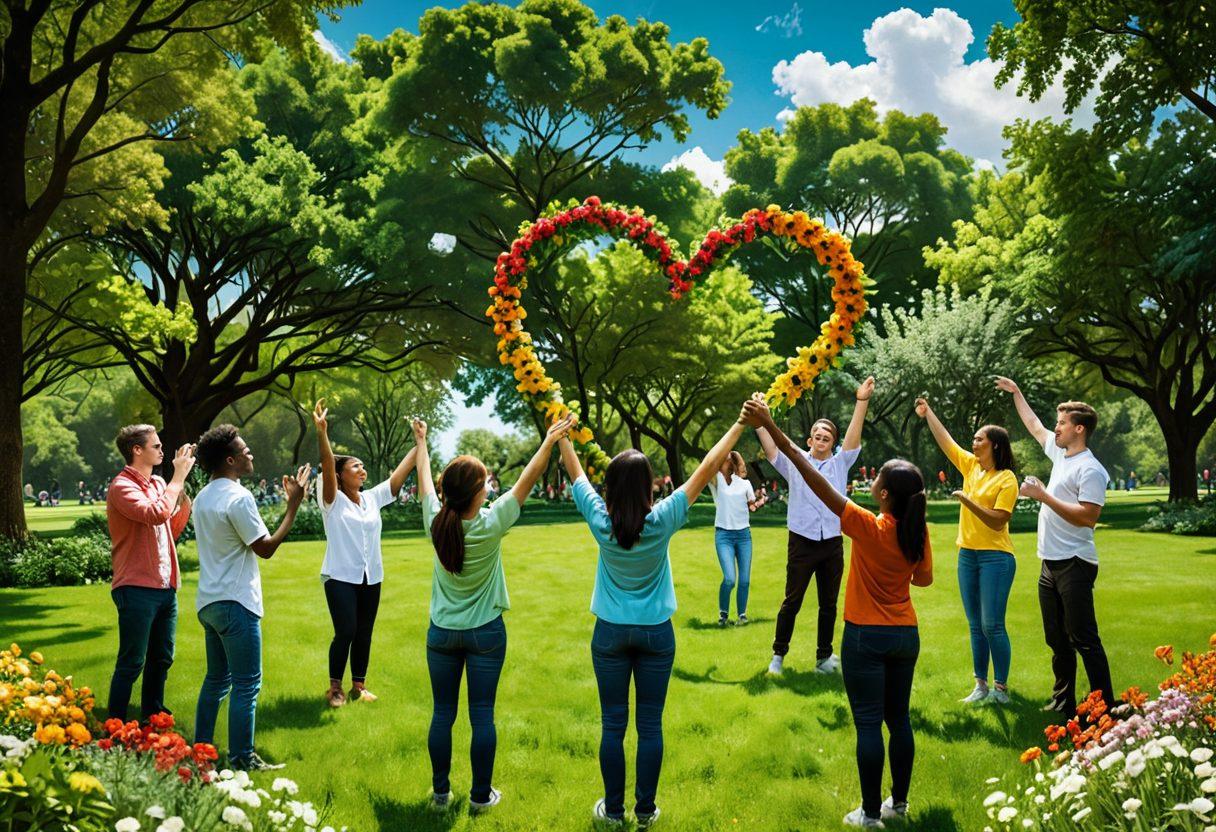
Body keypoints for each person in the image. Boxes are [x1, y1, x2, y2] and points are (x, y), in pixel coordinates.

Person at [742, 397, 931, 829]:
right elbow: (923, 581)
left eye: (877, 479)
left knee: (868, 724)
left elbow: (821, 486)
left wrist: (771, 423)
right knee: (898, 720)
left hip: (866, 636)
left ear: (883, 495)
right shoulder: (916, 531)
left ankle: (868, 815)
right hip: (906, 635)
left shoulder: (866, 524)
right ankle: (898, 806)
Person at [557, 408, 748, 829]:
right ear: (648, 486)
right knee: (649, 725)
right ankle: (644, 812)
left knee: (612, 725)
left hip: (609, 633)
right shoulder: (662, 519)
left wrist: (563, 435)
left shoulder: (600, 520)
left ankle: (613, 810)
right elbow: (707, 467)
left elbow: (576, 476)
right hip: (656, 635)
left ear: (611, 486)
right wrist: (738, 424)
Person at [416, 414, 575, 814]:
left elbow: (423, 479)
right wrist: (551, 440)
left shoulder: (436, 521)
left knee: (443, 714)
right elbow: (530, 476)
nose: (491, 485)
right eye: (485, 481)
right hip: (486, 633)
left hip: (442, 634)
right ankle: (481, 797)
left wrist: (421, 442)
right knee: (482, 715)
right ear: (475, 493)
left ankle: (439, 796)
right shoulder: (492, 522)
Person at [191, 424, 311, 771]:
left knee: (215, 681)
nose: (250, 454)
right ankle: (242, 759)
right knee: (247, 685)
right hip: (236, 603)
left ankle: (201, 753)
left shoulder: (204, 497)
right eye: (245, 451)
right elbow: (266, 548)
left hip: (209, 602)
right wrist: (293, 505)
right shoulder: (238, 497)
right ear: (230, 460)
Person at [995, 377, 1114, 717]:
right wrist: (1017, 392)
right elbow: (1033, 425)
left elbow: (1088, 517)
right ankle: (1064, 702)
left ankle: (1104, 707)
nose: (1055, 428)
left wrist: (1043, 495)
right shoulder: (1061, 454)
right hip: (1050, 563)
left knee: (1083, 638)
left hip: (1075, 563)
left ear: (1079, 429)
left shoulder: (1091, 469)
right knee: (1057, 640)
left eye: (1061, 423)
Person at [755, 376, 875, 677]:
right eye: (817, 436)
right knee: (791, 600)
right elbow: (771, 449)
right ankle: (777, 657)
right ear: (809, 440)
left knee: (828, 604)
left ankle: (823, 657)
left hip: (832, 542)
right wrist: (760, 419)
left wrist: (862, 401)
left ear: (832, 444)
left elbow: (853, 437)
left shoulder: (840, 464)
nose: (821, 441)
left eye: (827, 438)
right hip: (802, 541)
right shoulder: (795, 461)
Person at [313, 399, 419, 707]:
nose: (362, 469)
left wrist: (419, 442)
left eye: (362, 465)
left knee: (364, 632)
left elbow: (402, 473)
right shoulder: (331, 500)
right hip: (340, 576)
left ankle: (359, 685)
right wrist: (322, 434)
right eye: (355, 466)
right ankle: (335, 688)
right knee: (345, 630)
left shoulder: (372, 498)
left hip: (371, 576)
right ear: (340, 474)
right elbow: (326, 465)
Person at [915, 398, 1019, 705]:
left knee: (992, 625)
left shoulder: (1007, 479)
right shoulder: (971, 466)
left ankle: (1001, 690)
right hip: (968, 556)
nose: (973, 443)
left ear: (995, 446)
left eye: (979, 439)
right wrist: (928, 413)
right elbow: (946, 442)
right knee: (975, 625)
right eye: (973, 439)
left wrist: (968, 500)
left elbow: (999, 521)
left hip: (996, 558)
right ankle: (980, 686)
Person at [105, 425, 195, 722]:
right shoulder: (121, 487)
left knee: (161, 658)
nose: (161, 451)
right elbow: (155, 514)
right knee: (132, 662)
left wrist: (181, 494)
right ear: (137, 450)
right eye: (156, 446)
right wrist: (178, 477)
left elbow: (171, 525)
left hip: (165, 587)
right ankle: (115, 727)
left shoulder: (157, 483)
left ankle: (152, 720)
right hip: (135, 587)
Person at [708, 450, 766, 626]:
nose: (723, 458)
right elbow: (709, 461)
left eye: (726, 456)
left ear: (733, 461)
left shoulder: (745, 484)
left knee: (745, 580)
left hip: (743, 536)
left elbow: (752, 507)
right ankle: (723, 615)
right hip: (723, 535)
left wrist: (759, 502)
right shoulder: (715, 479)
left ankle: (742, 615)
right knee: (729, 579)